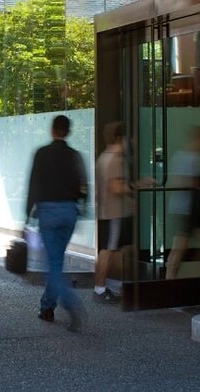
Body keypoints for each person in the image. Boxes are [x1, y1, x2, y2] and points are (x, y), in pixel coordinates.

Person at [26, 114, 88, 332]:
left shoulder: (42, 154)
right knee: (56, 262)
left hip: (49, 213)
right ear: (68, 132)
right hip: (69, 212)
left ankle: (71, 304)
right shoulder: (75, 156)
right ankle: (47, 307)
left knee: (52, 264)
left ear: (53, 130)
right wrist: (81, 207)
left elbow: (33, 185)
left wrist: (26, 216)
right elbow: (83, 186)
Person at [94, 120, 148, 303]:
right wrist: (137, 186)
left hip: (110, 211)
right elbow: (116, 188)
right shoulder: (115, 160)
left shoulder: (104, 157)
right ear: (120, 138)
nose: (131, 142)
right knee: (109, 250)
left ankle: (109, 286)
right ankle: (100, 289)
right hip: (114, 212)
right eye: (128, 138)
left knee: (113, 250)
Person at [166, 125, 200, 279]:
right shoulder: (185, 157)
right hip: (185, 209)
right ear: (197, 140)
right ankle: (170, 278)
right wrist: (196, 182)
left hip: (190, 210)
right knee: (180, 247)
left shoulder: (191, 157)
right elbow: (176, 181)